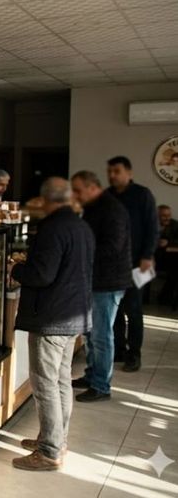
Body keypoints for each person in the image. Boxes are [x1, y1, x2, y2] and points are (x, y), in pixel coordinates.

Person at [10, 177, 94, 472]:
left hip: (53, 318)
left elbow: (42, 275)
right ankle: (56, 438)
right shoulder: (81, 226)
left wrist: (16, 268)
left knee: (44, 383)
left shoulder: (53, 228)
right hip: (74, 314)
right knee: (60, 382)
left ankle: (48, 452)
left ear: (45, 200)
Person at [70, 171, 132, 403]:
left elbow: (112, 248)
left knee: (101, 335)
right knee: (89, 333)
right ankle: (92, 375)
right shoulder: (95, 207)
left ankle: (101, 385)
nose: (75, 195)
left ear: (92, 187)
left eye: (77, 190)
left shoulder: (111, 209)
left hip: (108, 282)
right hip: (93, 280)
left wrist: (81, 254)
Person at [106, 156, 159, 372]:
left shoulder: (142, 194)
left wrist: (147, 255)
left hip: (136, 261)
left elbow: (152, 228)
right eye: (110, 171)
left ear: (129, 172)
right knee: (114, 310)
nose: (112, 175)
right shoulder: (107, 196)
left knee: (134, 310)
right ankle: (118, 350)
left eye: (117, 171)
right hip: (111, 263)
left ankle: (133, 354)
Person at [156, 205, 178, 308]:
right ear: (157, 216)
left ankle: (165, 298)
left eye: (168, 215)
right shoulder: (151, 223)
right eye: (164, 216)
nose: (167, 218)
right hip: (152, 257)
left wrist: (168, 242)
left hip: (169, 259)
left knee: (175, 271)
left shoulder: (174, 225)